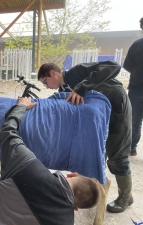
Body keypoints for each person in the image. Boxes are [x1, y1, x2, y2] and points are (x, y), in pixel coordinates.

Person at [0, 97, 100, 225]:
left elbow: (7, 132)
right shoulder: (66, 221)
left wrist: (21, 107)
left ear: (72, 174)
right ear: (75, 208)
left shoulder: (29, 167)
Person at [37, 60, 133, 213]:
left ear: (53, 73)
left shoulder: (77, 72)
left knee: (117, 154)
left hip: (116, 109)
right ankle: (106, 192)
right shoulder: (63, 91)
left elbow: (113, 66)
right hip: (98, 118)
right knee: (98, 153)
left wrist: (82, 88)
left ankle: (125, 196)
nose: (46, 86)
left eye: (45, 82)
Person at [123, 17, 143, 156]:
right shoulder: (137, 45)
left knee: (134, 119)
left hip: (136, 86)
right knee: (133, 119)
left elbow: (128, 66)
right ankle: (132, 147)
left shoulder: (137, 44)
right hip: (136, 88)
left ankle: (132, 148)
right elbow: (127, 65)